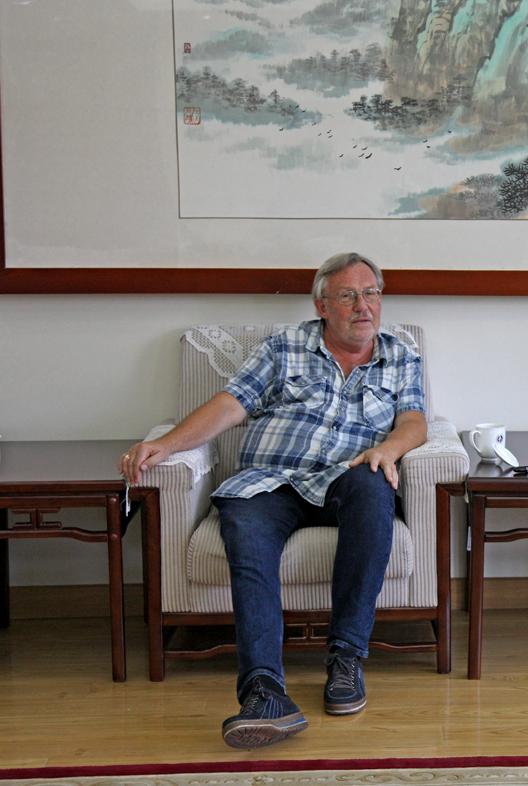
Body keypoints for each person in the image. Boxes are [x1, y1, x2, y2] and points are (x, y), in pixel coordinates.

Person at [118, 252, 427, 748]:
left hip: (346, 476)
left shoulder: (401, 355)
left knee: (375, 487)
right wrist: (167, 444)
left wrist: (388, 449)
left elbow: (414, 421)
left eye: (371, 293)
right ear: (322, 305)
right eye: (348, 295)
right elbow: (230, 405)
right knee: (245, 533)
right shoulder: (284, 347)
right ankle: (264, 691)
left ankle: (346, 659)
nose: (363, 305)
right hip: (270, 479)